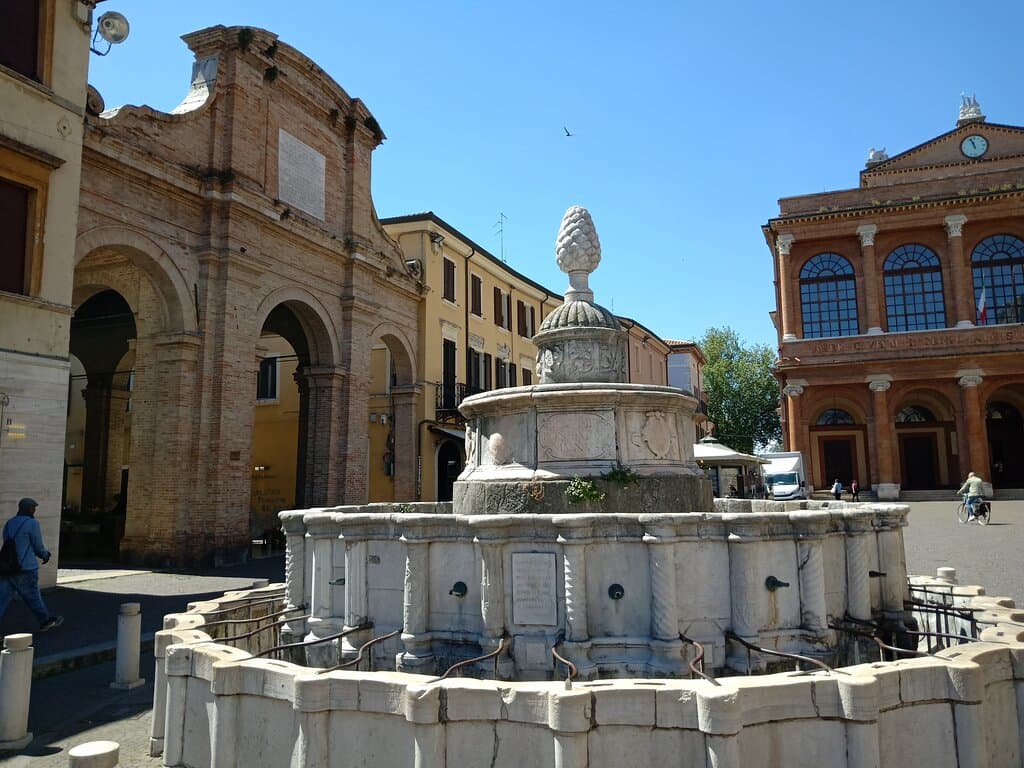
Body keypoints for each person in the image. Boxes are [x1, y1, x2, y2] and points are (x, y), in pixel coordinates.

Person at [0, 498, 64, 631]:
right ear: (29, 509)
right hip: (26, 568)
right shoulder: (32, 523)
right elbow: (37, 545)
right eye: (33, 508)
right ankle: (45, 621)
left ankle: (45, 619)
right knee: (33, 597)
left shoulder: (9, 523)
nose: (34, 511)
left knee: (2, 599)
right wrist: (45, 555)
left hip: (8, 567)